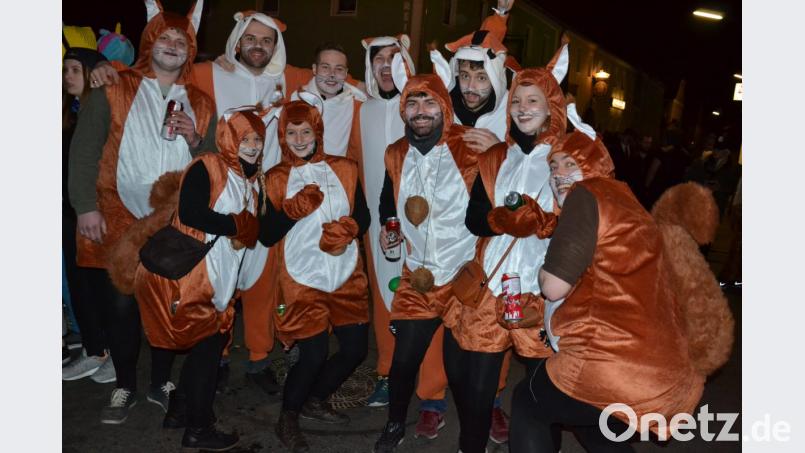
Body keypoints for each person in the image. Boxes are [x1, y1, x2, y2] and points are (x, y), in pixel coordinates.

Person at [507, 104, 704, 452]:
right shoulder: (626, 199)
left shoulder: (587, 195)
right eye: (554, 167)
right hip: (655, 362)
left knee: (529, 402)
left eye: (571, 164)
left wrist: (540, 264)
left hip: (610, 358)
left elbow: (553, 286)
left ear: (594, 166)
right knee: (593, 422)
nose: (559, 174)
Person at [68, 0, 217, 424]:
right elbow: (83, 152)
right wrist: (85, 207)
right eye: (165, 36)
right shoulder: (113, 87)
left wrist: (195, 140)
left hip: (174, 220)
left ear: (190, 50)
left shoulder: (202, 102)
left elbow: (213, 164)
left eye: (181, 39)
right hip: (115, 216)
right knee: (120, 307)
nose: (172, 44)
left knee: (168, 304)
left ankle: (161, 382)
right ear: (150, 40)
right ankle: (125, 384)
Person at [455, 41, 569, 453]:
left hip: (542, 292)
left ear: (551, 105)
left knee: (543, 392)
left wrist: (542, 223)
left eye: (533, 100)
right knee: (478, 389)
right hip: (490, 290)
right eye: (517, 100)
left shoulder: (565, 157)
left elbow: (581, 223)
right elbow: (473, 218)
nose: (522, 108)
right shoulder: (495, 157)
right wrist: (503, 219)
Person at [133, 107, 268, 451]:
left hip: (215, 279)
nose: (252, 146)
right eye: (244, 138)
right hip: (189, 278)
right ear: (228, 138)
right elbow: (192, 212)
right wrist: (237, 224)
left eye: (257, 139)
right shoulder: (208, 165)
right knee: (208, 351)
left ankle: (179, 411)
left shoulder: (250, 182)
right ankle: (199, 427)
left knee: (203, 350)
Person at [371, 68, 478, 452]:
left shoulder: (470, 147)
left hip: (464, 277)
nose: (420, 110)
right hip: (418, 277)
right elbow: (388, 199)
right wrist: (388, 225)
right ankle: (395, 423)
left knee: (462, 368)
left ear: (444, 107)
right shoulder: (395, 152)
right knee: (404, 362)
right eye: (412, 102)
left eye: (429, 102)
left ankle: (471, 436)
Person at [261, 100, 370, 453]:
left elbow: (364, 216)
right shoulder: (275, 177)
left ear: (317, 133)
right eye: (291, 132)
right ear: (282, 136)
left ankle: (316, 398)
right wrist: (293, 211)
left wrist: (348, 228)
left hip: (346, 273)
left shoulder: (346, 168)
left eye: (305, 131)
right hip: (301, 276)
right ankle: (288, 417)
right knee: (313, 354)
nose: (299, 138)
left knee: (355, 349)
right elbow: (265, 235)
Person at [62, 47, 117, 384]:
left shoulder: (104, 109)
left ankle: (113, 351)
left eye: (74, 70)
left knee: (103, 285)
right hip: (68, 210)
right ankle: (95, 349)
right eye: (64, 70)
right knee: (79, 284)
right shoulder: (67, 111)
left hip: (96, 210)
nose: (67, 77)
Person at [291, 42, 366, 164]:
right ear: (315, 69)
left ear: (346, 73)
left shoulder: (356, 105)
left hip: (339, 177)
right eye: (325, 67)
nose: (332, 74)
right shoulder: (296, 99)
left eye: (339, 69)